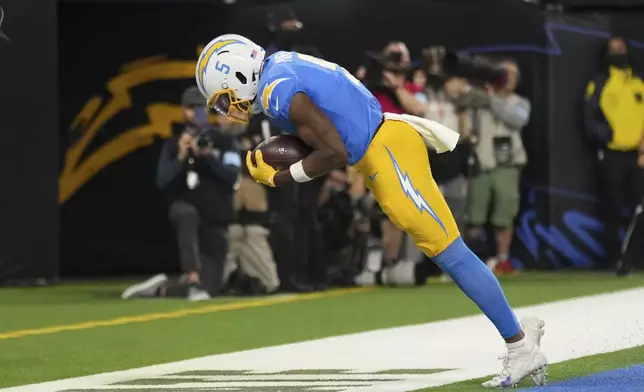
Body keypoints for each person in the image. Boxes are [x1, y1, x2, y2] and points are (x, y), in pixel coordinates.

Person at [195, 34, 547, 388]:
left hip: (386, 152)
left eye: (225, 98)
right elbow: (328, 129)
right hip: (380, 147)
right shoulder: (280, 66)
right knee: (448, 253)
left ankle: (520, 347)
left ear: (239, 74)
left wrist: (284, 177)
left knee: (451, 254)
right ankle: (518, 331)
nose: (229, 108)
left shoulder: (277, 91)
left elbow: (333, 153)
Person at [584, 36, 644, 275]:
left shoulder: (638, 84)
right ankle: (614, 259)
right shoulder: (599, 84)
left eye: (622, 49)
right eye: (614, 50)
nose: (619, 54)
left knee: (639, 209)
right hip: (612, 155)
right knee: (612, 207)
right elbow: (589, 118)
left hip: (638, 155)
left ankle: (635, 258)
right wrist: (607, 136)